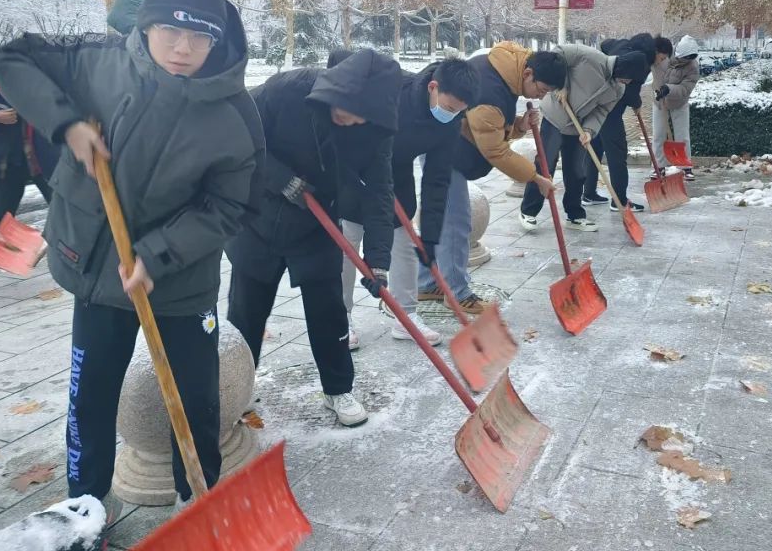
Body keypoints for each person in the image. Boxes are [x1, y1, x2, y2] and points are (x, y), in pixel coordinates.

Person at [0, 0, 265, 516]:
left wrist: (155, 255)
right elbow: (11, 58)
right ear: (145, 26)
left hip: (182, 278)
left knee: (195, 400)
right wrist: (67, 123)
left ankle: (199, 504)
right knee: (89, 397)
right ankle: (84, 511)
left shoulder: (235, 114)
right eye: (171, 31)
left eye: (199, 36)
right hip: (97, 266)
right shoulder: (100, 62)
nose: (183, 48)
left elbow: (231, 206)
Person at [226, 49, 401, 427]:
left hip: (317, 224)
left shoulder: (375, 133)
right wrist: (278, 178)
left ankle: (338, 388)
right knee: (246, 312)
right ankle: (234, 391)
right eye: (347, 105)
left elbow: (380, 193)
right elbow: (238, 136)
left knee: (329, 311)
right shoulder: (286, 91)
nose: (351, 117)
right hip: (257, 217)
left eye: (362, 114)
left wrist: (378, 261)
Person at [340, 57, 479, 348]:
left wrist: (429, 239)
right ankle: (341, 317)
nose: (452, 115)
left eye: (459, 112)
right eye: (450, 108)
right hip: (355, 169)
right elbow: (348, 130)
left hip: (397, 173)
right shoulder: (393, 93)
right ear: (433, 87)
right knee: (348, 245)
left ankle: (406, 315)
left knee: (405, 243)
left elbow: (436, 180)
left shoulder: (450, 122)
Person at [418, 42, 565, 314]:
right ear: (528, 73)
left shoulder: (505, 66)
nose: (541, 97)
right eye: (541, 90)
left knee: (439, 220)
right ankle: (458, 294)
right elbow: (495, 149)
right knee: (455, 223)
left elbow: (492, 128)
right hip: (444, 151)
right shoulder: (490, 93)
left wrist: (519, 124)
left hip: (442, 141)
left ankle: (427, 284)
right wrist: (534, 177)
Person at [520, 44, 645, 232]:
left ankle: (575, 215)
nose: (626, 83)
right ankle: (528, 211)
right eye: (628, 79)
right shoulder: (590, 57)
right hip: (555, 116)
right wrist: (559, 84)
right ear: (622, 69)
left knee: (577, 172)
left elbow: (602, 110)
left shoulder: (617, 89)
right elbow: (557, 54)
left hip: (577, 127)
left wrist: (589, 130)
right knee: (546, 165)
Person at [0, 77, 57, 231]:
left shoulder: (43, 83)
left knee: (64, 213)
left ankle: (68, 252)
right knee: (2, 222)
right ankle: (1, 252)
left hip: (43, 162)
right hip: (7, 164)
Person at [581, 33, 655, 211]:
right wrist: (637, 103)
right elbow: (629, 93)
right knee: (617, 153)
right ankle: (620, 200)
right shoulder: (639, 62)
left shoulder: (619, 46)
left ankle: (588, 193)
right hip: (610, 111)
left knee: (595, 149)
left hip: (595, 107)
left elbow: (605, 43)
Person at [653, 35, 700, 181]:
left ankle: (686, 167)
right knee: (658, 135)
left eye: (689, 58)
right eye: (683, 58)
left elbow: (685, 89)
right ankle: (659, 167)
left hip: (680, 103)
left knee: (682, 136)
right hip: (660, 101)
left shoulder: (693, 67)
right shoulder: (665, 56)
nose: (685, 61)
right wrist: (658, 89)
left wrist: (668, 89)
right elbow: (654, 71)